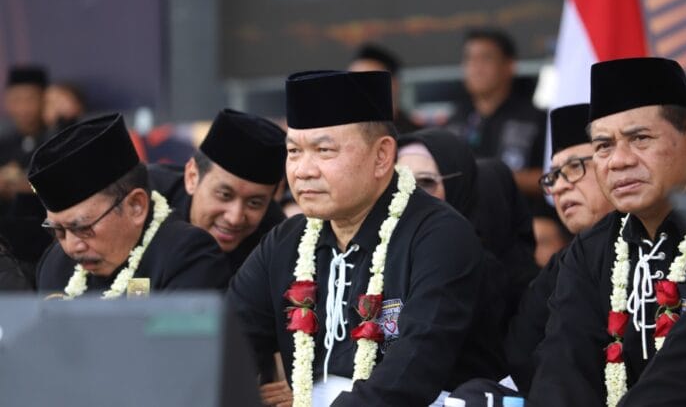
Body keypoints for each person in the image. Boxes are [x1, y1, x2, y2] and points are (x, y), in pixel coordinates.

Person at [227, 70, 506, 406]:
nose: (302, 170)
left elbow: (413, 372)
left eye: (324, 150)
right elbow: (229, 341)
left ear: (382, 156)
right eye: (294, 151)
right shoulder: (286, 241)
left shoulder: (440, 236)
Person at [529, 57, 686, 406]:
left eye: (639, 138)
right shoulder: (591, 249)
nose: (618, 160)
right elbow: (562, 363)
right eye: (603, 146)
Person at [448, 103, 616, 403]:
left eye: (575, 167)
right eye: (553, 176)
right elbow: (519, 356)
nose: (561, 187)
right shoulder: (559, 268)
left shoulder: (662, 247)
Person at [31, 113, 230, 296]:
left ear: (136, 206)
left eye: (83, 228)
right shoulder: (55, 266)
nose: (72, 247)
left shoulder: (188, 256)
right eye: (59, 231)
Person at [397, 128, 538, 318]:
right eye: (398, 184)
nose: (410, 195)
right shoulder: (386, 256)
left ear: (459, 187)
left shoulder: (485, 274)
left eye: (425, 182)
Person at [149, 109, 287, 275]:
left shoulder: (276, 243)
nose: (235, 218)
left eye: (254, 203)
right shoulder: (144, 198)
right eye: (224, 195)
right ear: (192, 177)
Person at [447, 28, 547, 198]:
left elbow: (553, 174)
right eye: (470, 59)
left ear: (509, 66)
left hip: (524, 219)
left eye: (486, 58)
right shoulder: (454, 121)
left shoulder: (535, 119)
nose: (476, 67)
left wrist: (489, 176)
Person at [0, 65, 49, 203]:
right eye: (16, 100)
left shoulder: (56, 141)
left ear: (45, 99)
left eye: (30, 99)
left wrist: (26, 186)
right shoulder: (4, 144)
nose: (23, 108)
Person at [348, 43, 421, 134]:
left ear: (394, 84)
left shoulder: (416, 139)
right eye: (353, 81)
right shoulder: (342, 136)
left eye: (369, 80)